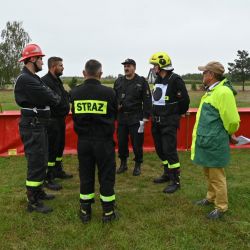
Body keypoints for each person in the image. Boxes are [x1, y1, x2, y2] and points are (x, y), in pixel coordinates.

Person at [14, 44, 61, 213]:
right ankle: (32, 201)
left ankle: (38, 191)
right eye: (40, 58)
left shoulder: (33, 77)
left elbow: (49, 94)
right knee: (36, 162)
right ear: (32, 59)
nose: (42, 61)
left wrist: (50, 95)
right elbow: (52, 97)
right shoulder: (26, 79)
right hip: (33, 125)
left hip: (38, 124)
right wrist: (51, 96)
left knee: (42, 159)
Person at [70, 59, 118, 223]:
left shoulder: (75, 93)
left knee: (85, 175)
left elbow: (75, 116)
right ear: (100, 74)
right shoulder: (109, 93)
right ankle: (108, 212)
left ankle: (85, 211)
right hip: (103, 142)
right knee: (106, 176)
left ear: (84, 73)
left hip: (83, 142)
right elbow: (114, 115)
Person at [191, 61, 240, 219]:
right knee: (208, 173)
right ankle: (211, 197)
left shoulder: (223, 92)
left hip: (215, 142)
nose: (202, 75)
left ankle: (221, 206)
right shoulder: (212, 91)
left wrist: (231, 134)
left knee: (217, 176)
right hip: (207, 141)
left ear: (211, 75)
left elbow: (232, 120)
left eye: (204, 73)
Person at [149, 52, 190, 193]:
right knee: (161, 150)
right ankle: (167, 173)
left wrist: (175, 114)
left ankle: (175, 180)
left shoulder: (175, 80)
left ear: (161, 66)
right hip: (156, 122)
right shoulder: (158, 80)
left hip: (169, 122)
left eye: (154, 65)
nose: (153, 68)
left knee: (169, 151)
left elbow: (184, 101)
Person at [114, 59, 152, 176]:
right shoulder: (119, 81)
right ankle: (123, 164)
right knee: (121, 142)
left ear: (134, 67)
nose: (126, 68)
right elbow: (114, 97)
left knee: (137, 143)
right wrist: (116, 106)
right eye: (125, 66)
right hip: (122, 117)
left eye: (128, 66)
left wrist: (146, 116)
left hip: (136, 117)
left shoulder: (141, 81)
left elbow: (147, 99)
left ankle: (137, 165)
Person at [41, 57, 72, 191]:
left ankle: (58, 170)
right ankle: (48, 176)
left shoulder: (57, 80)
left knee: (59, 147)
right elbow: (54, 100)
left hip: (60, 120)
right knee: (51, 149)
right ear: (53, 66)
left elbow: (65, 96)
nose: (63, 67)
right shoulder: (45, 81)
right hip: (51, 121)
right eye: (61, 65)